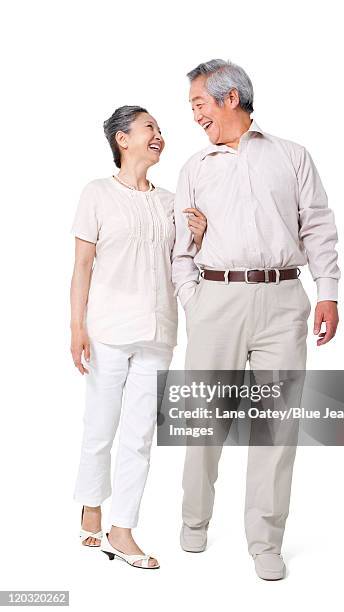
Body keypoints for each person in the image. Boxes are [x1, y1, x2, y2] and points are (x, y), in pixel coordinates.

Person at [171, 59, 340, 580]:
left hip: (283, 300)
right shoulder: (195, 167)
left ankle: (265, 540)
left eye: (199, 103)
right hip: (217, 300)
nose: (194, 114)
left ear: (229, 98)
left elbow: (317, 226)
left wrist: (328, 292)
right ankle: (194, 519)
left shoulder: (291, 156)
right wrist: (192, 299)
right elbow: (181, 249)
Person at [70, 105, 206, 569]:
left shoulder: (170, 201)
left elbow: (185, 262)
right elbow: (82, 266)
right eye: (150, 128)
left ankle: (122, 529)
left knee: (140, 435)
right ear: (122, 139)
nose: (159, 135)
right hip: (107, 328)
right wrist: (76, 328)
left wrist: (199, 235)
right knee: (100, 426)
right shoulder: (97, 194)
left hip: (158, 330)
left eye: (160, 130)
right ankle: (91, 501)